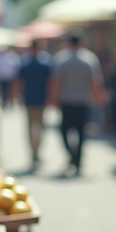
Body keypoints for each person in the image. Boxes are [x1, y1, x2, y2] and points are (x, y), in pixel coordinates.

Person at [49, 32, 104, 177]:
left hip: (66, 100)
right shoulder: (90, 58)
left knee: (64, 130)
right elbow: (95, 82)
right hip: (83, 101)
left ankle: (71, 155)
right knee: (81, 132)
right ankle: (77, 161)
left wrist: (54, 98)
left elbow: (56, 81)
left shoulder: (61, 58)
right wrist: (96, 97)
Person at [15, 40, 52, 169]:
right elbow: (20, 83)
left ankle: (36, 152)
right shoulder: (30, 65)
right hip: (31, 101)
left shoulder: (44, 64)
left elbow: (51, 83)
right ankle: (34, 152)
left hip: (39, 101)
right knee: (33, 129)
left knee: (38, 129)